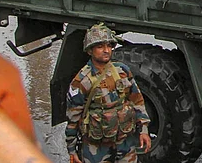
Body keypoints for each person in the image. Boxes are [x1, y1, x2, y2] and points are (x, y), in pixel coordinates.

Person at [65, 24, 152, 163]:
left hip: (125, 143)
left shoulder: (122, 71)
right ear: (90, 50)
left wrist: (144, 130)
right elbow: (73, 119)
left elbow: (137, 101)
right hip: (96, 148)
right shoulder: (82, 81)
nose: (106, 51)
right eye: (100, 47)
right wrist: (71, 149)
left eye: (108, 46)